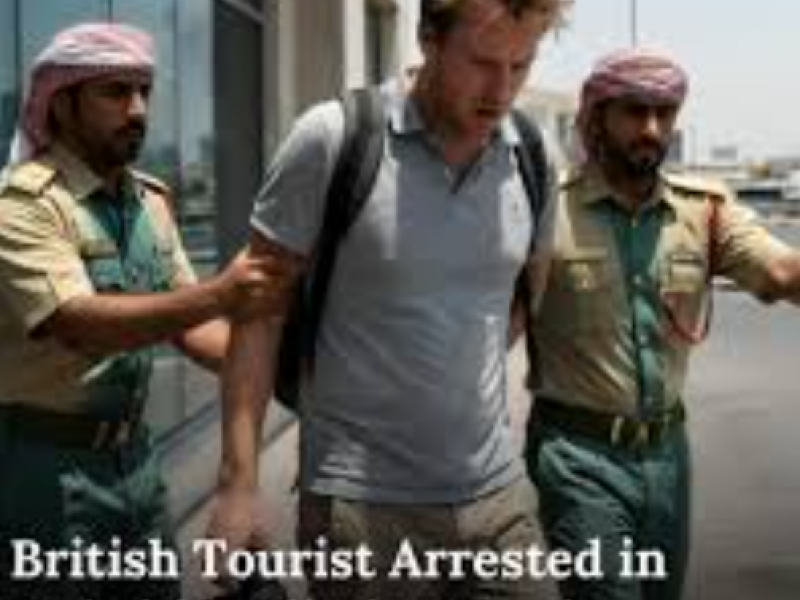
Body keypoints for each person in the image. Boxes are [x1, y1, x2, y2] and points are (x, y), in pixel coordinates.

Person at [207, 1, 571, 599]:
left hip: (498, 495)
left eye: (521, 65)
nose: (501, 90)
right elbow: (258, 315)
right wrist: (237, 487)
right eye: (482, 63)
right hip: (361, 509)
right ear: (427, 37)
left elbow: (517, 301)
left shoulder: (533, 155)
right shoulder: (332, 138)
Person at [0, 22, 297, 600]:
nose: (137, 110)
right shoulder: (23, 205)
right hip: (45, 473)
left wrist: (286, 369)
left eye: (144, 91)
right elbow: (76, 321)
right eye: (115, 92)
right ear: (61, 104)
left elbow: (191, 326)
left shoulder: (149, 201)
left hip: (138, 464)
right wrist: (222, 293)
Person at [524, 47, 800, 600]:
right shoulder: (545, 209)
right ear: (597, 116)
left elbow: (781, 272)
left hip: (668, 459)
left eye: (665, 113)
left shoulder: (706, 210)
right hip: (578, 457)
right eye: (634, 111)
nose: (651, 128)